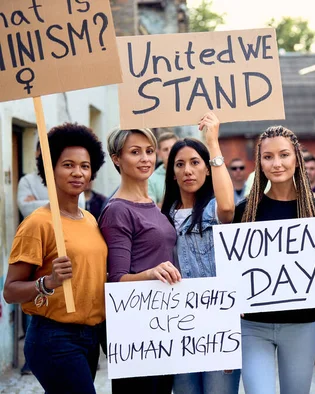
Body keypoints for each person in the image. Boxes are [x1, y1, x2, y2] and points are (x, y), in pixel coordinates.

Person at [233, 126, 315, 394]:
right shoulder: (245, 211)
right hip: (253, 326)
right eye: (268, 157)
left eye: (284, 155)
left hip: (301, 325)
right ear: (259, 163)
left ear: (297, 158)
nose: (276, 163)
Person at [3, 123, 107, 394]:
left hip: (90, 336)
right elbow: (10, 291)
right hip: (54, 337)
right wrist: (47, 282)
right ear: (50, 169)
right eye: (68, 164)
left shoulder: (91, 220)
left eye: (85, 166)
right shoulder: (38, 223)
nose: (77, 172)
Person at [159, 112, 240, 393]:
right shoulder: (163, 217)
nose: (187, 170)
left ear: (208, 169)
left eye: (195, 163)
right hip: (179, 328)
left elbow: (229, 208)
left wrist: (212, 142)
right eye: (179, 164)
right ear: (172, 172)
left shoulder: (213, 211)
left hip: (220, 326)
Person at [99, 127, 180, 394]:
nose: (145, 158)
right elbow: (117, 279)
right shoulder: (118, 210)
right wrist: (151, 273)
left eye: (149, 151)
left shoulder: (150, 203)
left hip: (163, 324)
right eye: (135, 152)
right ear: (116, 159)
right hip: (136, 331)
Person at [148, 131, 179, 207]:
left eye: (173, 148)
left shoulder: (189, 172)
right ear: (158, 153)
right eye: (165, 149)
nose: (170, 152)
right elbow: (151, 209)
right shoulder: (151, 179)